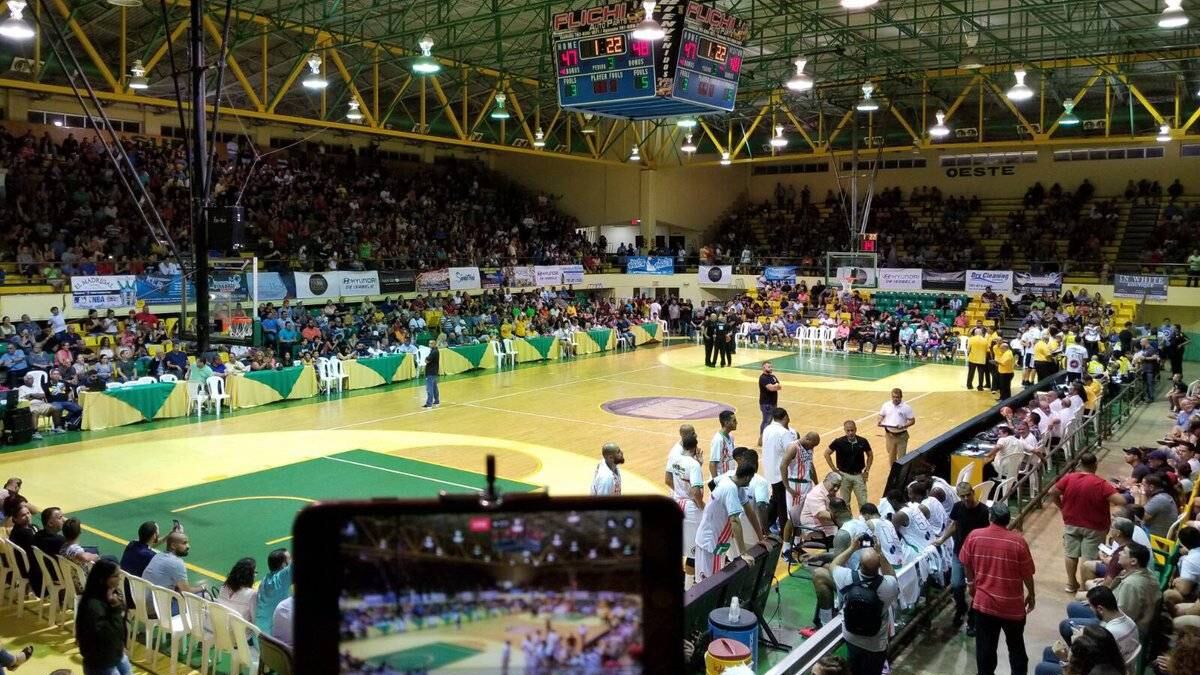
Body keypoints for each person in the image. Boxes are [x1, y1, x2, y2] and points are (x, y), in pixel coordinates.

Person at [1048, 452, 1127, 594]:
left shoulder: (1069, 478)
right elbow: (1121, 501)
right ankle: (1086, 589)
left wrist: (1062, 507)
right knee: (1088, 558)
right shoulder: (1101, 484)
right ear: (1095, 465)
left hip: (1071, 522)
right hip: (1095, 526)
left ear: (1080, 464)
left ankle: (1071, 584)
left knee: (1070, 554)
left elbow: (1052, 492)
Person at [830, 533, 899, 675]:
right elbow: (892, 576)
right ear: (878, 566)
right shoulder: (887, 586)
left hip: (851, 636)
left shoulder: (846, 577)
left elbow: (834, 564)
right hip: (875, 643)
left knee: (854, 669)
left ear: (860, 565)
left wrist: (852, 548)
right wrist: (880, 554)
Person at [932, 481, 992, 635]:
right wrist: (942, 539)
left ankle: (973, 619)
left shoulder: (983, 511)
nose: (966, 499)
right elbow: (954, 525)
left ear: (973, 492)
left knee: (977, 589)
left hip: (977, 557)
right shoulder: (958, 507)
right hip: (959, 553)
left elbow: (986, 534)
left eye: (968, 495)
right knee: (956, 584)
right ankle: (961, 607)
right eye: (962, 496)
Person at [1037, 587, 1139, 675]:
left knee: (1042, 668)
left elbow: (1082, 667)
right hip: (1118, 665)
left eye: (1091, 606)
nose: (1090, 609)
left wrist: (1067, 657)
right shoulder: (1128, 621)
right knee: (1048, 652)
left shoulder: (1110, 633)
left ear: (1100, 609)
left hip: (1092, 668)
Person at [694, 462, 759, 583]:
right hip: (712, 543)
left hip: (712, 540)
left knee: (708, 581)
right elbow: (735, 520)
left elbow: (749, 513)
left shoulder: (728, 479)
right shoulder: (730, 489)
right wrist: (743, 553)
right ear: (747, 477)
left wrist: (761, 538)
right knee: (709, 584)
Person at [75, 558, 133, 675]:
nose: (119, 579)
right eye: (115, 576)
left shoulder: (111, 596)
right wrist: (115, 609)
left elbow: (119, 628)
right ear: (103, 579)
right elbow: (105, 634)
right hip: (101, 662)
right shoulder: (93, 605)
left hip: (116, 655)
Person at [667, 435, 705, 578]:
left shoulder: (675, 459)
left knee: (680, 544)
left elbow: (669, 479)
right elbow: (695, 491)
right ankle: (692, 585)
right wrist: (701, 505)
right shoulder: (693, 465)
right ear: (695, 447)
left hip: (677, 503)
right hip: (690, 507)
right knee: (695, 550)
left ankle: (684, 582)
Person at [141, 531, 206, 611]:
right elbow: (186, 592)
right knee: (203, 596)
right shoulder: (176, 563)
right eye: (184, 543)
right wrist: (202, 587)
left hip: (143, 604)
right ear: (173, 546)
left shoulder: (158, 555)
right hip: (159, 610)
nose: (188, 546)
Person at [1038, 624, 1128, 675]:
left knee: (1042, 668)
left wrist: (1066, 660)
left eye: (1077, 636)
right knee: (1048, 652)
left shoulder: (1093, 672)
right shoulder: (1113, 661)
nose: (1074, 635)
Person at [825, 420, 873, 513]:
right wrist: (834, 469)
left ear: (856, 429)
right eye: (848, 430)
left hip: (859, 475)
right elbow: (826, 453)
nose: (850, 433)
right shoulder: (838, 442)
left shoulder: (863, 441)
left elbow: (870, 455)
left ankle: (864, 520)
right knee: (845, 503)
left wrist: (867, 470)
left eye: (852, 430)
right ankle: (848, 521)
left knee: (863, 503)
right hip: (844, 476)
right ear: (844, 430)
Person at [761, 407, 797, 532]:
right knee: (783, 505)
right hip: (781, 473)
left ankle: (764, 527)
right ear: (786, 417)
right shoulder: (784, 433)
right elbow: (792, 452)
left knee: (776, 500)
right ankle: (784, 532)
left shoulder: (767, 429)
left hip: (769, 470)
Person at [255, 548, 293, 634]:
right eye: (289, 558)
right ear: (284, 565)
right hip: (273, 637)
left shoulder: (265, 580)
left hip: (259, 634)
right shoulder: (281, 579)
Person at [877, 388, 916, 465]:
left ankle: (901, 472)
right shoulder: (886, 405)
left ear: (901, 397)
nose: (895, 399)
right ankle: (893, 471)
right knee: (891, 456)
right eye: (894, 397)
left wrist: (904, 425)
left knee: (902, 458)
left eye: (897, 397)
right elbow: (881, 415)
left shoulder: (906, 408)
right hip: (889, 435)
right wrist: (879, 420)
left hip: (901, 436)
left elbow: (912, 421)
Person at [216, 557, 258, 622]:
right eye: (255, 572)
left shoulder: (223, 587)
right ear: (249, 575)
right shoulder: (252, 594)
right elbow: (255, 619)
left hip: (220, 624)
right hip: (240, 628)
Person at [758, 361, 781, 445]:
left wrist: (775, 386)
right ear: (763, 368)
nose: (771, 368)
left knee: (770, 421)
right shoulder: (763, 378)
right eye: (769, 367)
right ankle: (761, 440)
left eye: (771, 367)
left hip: (773, 403)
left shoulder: (773, 376)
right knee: (766, 421)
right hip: (766, 404)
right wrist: (775, 386)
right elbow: (771, 388)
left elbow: (779, 386)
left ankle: (766, 438)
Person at [710, 410, 737, 479]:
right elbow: (712, 464)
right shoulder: (718, 440)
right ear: (726, 423)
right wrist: (716, 482)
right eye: (734, 421)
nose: (737, 422)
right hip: (721, 478)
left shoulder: (730, 436)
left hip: (729, 477)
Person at [423, 340, 440, 408]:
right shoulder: (435, 351)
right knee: (435, 388)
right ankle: (436, 401)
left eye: (431, 343)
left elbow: (427, 360)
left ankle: (429, 404)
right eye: (429, 343)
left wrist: (426, 359)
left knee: (429, 388)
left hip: (430, 372)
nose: (430, 344)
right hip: (434, 372)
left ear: (435, 344)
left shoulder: (433, 352)